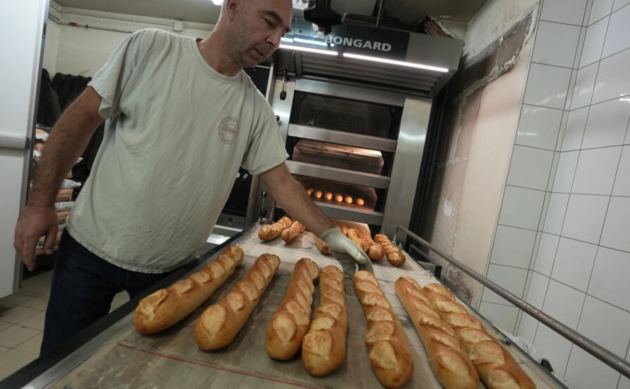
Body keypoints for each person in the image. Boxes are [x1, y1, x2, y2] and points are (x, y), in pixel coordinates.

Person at [13, 0, 372, 354]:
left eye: (283, 31)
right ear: (232, 6)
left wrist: (329, 232)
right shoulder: (151, 49)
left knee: (145, 374)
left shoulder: (254, 109)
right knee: (61, 364)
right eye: (269, 21)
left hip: (172, 273)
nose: (275, 40)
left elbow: (282, 184)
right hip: (89, 253)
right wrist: (39, 204)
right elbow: (78, 122)